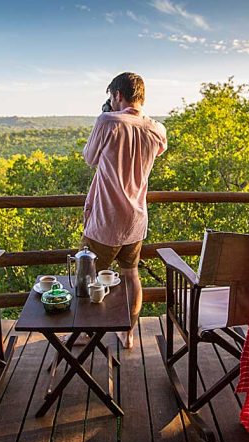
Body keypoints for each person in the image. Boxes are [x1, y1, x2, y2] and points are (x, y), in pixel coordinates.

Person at [82, 72, 167, 349]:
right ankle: (128, 333)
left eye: (110, 97)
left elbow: (89, 157)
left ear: (117, 95)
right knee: (131, 275)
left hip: (106, 219)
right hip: (136, 219)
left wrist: (106, 114)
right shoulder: (157, 129)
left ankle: (83, 332)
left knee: (87, 275)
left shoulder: (107, 122)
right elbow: (158, 150)